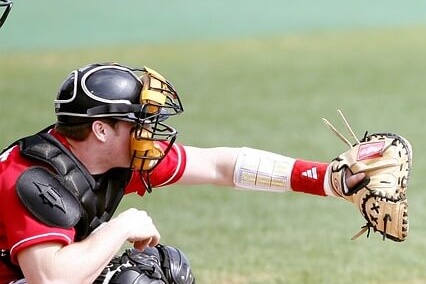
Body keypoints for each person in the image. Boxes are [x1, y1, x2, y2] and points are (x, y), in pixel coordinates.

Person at [0, 62, 365, 283]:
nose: (147, 132)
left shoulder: (114, 158)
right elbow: (52, 279)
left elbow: (219, 165)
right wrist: (121, 227)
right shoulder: (30, 180)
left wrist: (329, 179)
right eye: (137, 123)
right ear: (100, 129)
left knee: (167, 270)